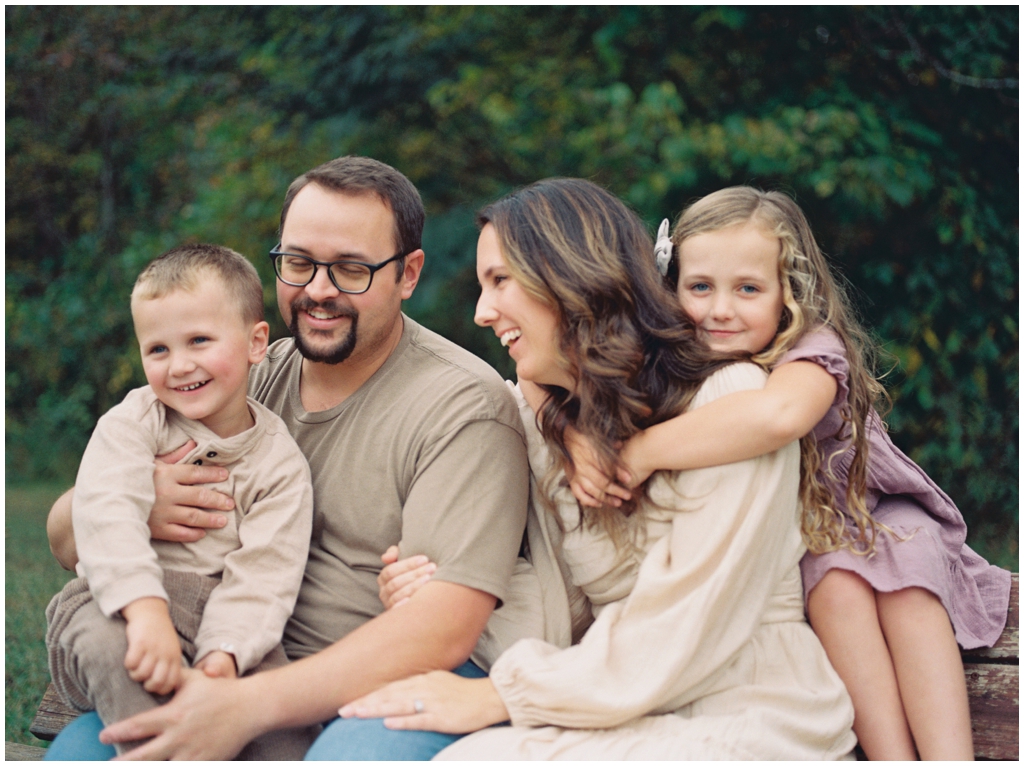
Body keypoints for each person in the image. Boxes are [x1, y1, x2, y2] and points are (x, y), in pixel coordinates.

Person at [341, 178, 858, 759]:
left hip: (749, 708)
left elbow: (688, 626)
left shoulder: (727, 403)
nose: (483, 313)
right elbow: (556, 617)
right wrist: (447, 588)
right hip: (621, 707)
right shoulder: (543, 426)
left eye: (500, 281)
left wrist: (498, 699)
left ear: (569, 276)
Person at [44, 156, 531, 760]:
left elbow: (442, 628)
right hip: (212, 654)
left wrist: (243, 706)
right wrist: (142, 501)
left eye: (351, 269)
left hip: (373, 685)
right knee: (83, 755)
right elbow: (66, 539)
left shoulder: (461, 407)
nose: (318, 291)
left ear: (408, 274)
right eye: (299, 263)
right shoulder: (239, 373)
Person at [559, 186, 1011, 759]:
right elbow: (563, 383)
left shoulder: (813, 348)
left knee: (908, 576)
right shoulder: (673, 358)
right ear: (671, 286)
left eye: (748, 289)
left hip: (871, 509)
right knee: (836, 589)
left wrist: (639, 452)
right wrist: (581, 441)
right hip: (809, 540)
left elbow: (778, 415)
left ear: (787, 294)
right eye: (701, 287)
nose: (721, 309)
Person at [45, 244, 316, 759]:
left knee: (283, 727)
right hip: (116, 605)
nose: (179, 366)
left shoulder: (279, 462)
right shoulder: (134, 422)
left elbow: (266, 574)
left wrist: (223, 657)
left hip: (223, 618)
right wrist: (145, 612)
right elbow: (107, 513)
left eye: (199, 340)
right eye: (158, 350)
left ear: (257, 342)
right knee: (123, 658)